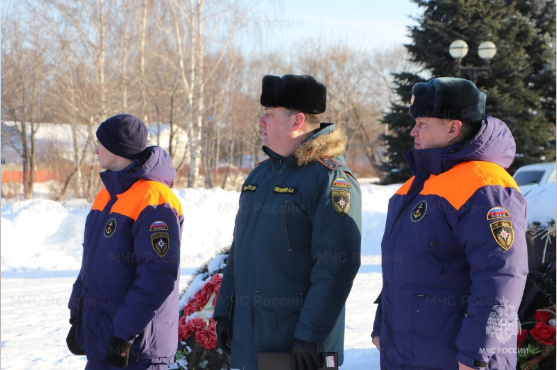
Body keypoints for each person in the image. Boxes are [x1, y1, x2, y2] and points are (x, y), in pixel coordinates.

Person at [371, 77, 528, 369]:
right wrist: (381, 326)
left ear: (453, 127)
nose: (412, 131)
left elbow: (502, 276)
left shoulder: (486, 185)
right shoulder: (416, 185)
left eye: (422, 123)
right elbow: (403, 270)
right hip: (408, 354)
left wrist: (477, 354)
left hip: (459, 360)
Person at [213, 74, 362, 370]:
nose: (260, 121)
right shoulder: (260, 175)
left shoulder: (329, 178)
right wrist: (224, 311)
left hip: (295, 348)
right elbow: (240, 251)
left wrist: (309, 336)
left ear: (297, 121)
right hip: (250, 340)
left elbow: (336, 267)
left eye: (269, 114)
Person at [66, 114, 184, 369]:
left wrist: (124, 333)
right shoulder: (106, 196)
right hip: (103, 340)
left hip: (137, 349)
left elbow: (157, 276)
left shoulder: (154, 199)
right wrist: (78, 315)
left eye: (101, 144)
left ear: (118, 149)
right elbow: (90, 263)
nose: (96, 150)